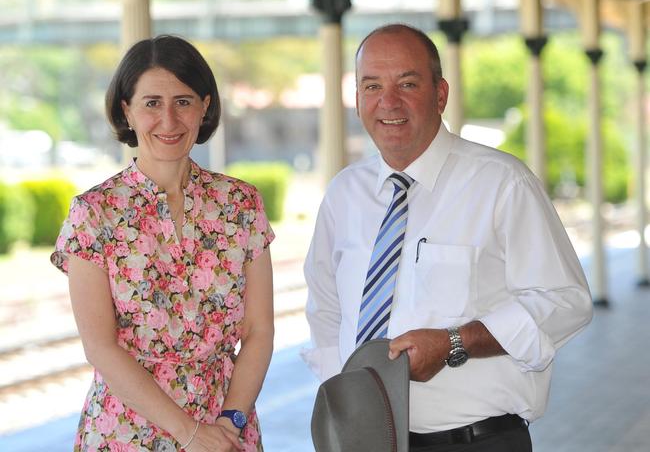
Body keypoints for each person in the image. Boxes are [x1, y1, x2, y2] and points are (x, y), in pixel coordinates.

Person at [302, 23, 593, 451]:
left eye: (407, 83)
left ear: (440, 94)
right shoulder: (344, 194)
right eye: (371, 86)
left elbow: (566, 300)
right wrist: (345, 400)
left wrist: (456, 342)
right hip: (367, 441)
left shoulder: (502, 183)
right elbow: (325, 311)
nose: (388, 101)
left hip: (475, 441)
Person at [51, 35, 274, 452]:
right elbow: (100, 347)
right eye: (152, 103)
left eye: (183, 101)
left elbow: (260, 331)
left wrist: (229, 422)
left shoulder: (242, 203)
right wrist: (191, 434)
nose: (169, 120)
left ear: (205, 107)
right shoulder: (94, 213)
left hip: (226, 427)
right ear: (127, 112)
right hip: (125, 432)